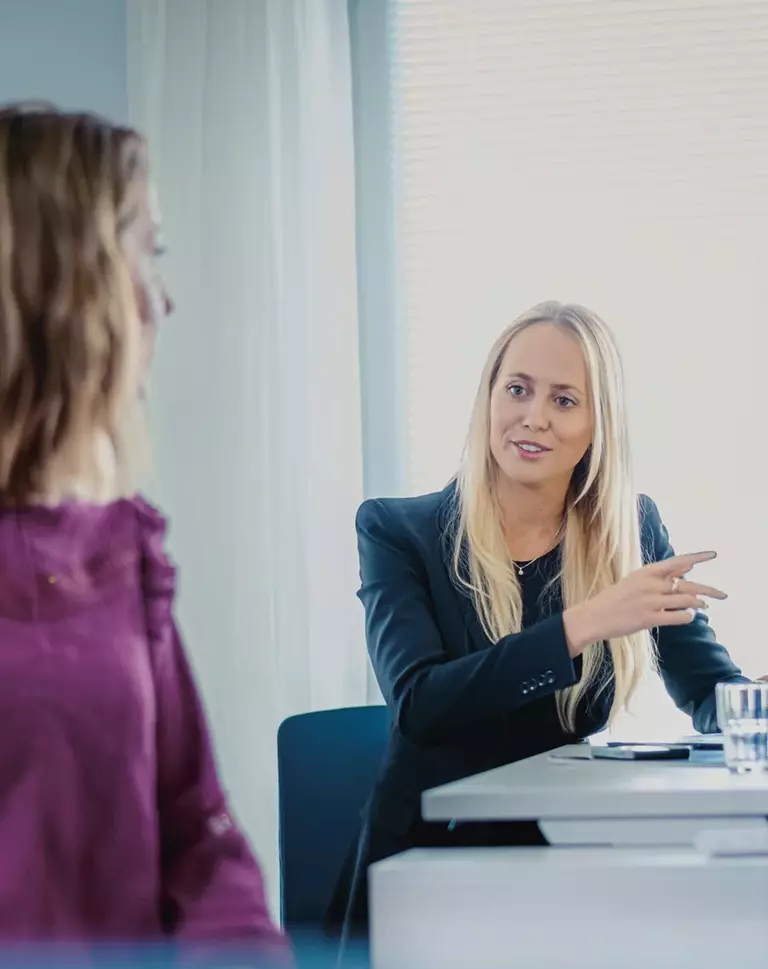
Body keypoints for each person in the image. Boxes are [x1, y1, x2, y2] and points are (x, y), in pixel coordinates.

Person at [326, 300, 755, 947]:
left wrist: (757, 704)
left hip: (565, 859)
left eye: (564, 400)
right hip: (425, 865)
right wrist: (581, 624)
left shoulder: (628, 530)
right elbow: (420, 705)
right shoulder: (396, 529)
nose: (534, 417)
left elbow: (709, 690)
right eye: (518, 389)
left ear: (595, 424)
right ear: (488, 398)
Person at [0, 104, 290, 962]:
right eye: (143, 250)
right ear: (59, 282)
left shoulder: (121, 550)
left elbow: (196, 835)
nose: (161, 295)